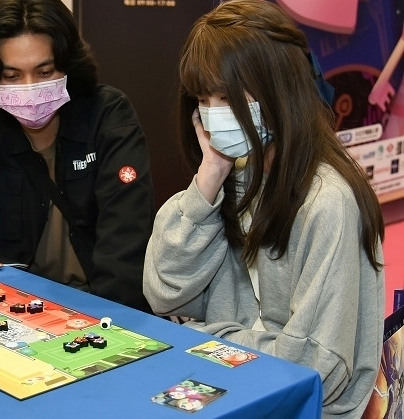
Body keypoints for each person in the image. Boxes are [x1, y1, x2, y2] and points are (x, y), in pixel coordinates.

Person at [142, 0, 384, 417]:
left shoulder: (327, 201)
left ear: (278, 90)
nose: (214, 114)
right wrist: (209, 176)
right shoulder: (237, 173)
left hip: (298, 405)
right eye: (204, 99)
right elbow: (163, 293)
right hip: (231, 385)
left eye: (227, 97)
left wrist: (204, 336)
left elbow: (312, 367)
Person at [0, 0, 156, 312]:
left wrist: (98, 326)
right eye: (12, 76)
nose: (30, 87)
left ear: (66, 66)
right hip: (17, 308)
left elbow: (124, 246)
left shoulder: (107, 116)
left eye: (44, 71)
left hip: (98, 308)